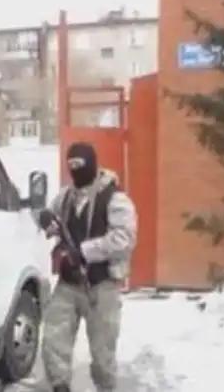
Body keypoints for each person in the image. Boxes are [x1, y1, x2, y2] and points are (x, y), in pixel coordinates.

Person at [38, 142, 137, 392]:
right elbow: (51, 218)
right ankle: (60, 387)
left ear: (92, 164)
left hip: (101, 286)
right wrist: (45, 219)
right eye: (70, 165)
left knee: (103, 356)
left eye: (79, 165)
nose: (75, 170)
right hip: (68, 284)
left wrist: (84, 252)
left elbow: (124, 239)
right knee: (53, 341)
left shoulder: (115, 198)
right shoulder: (66, 197)